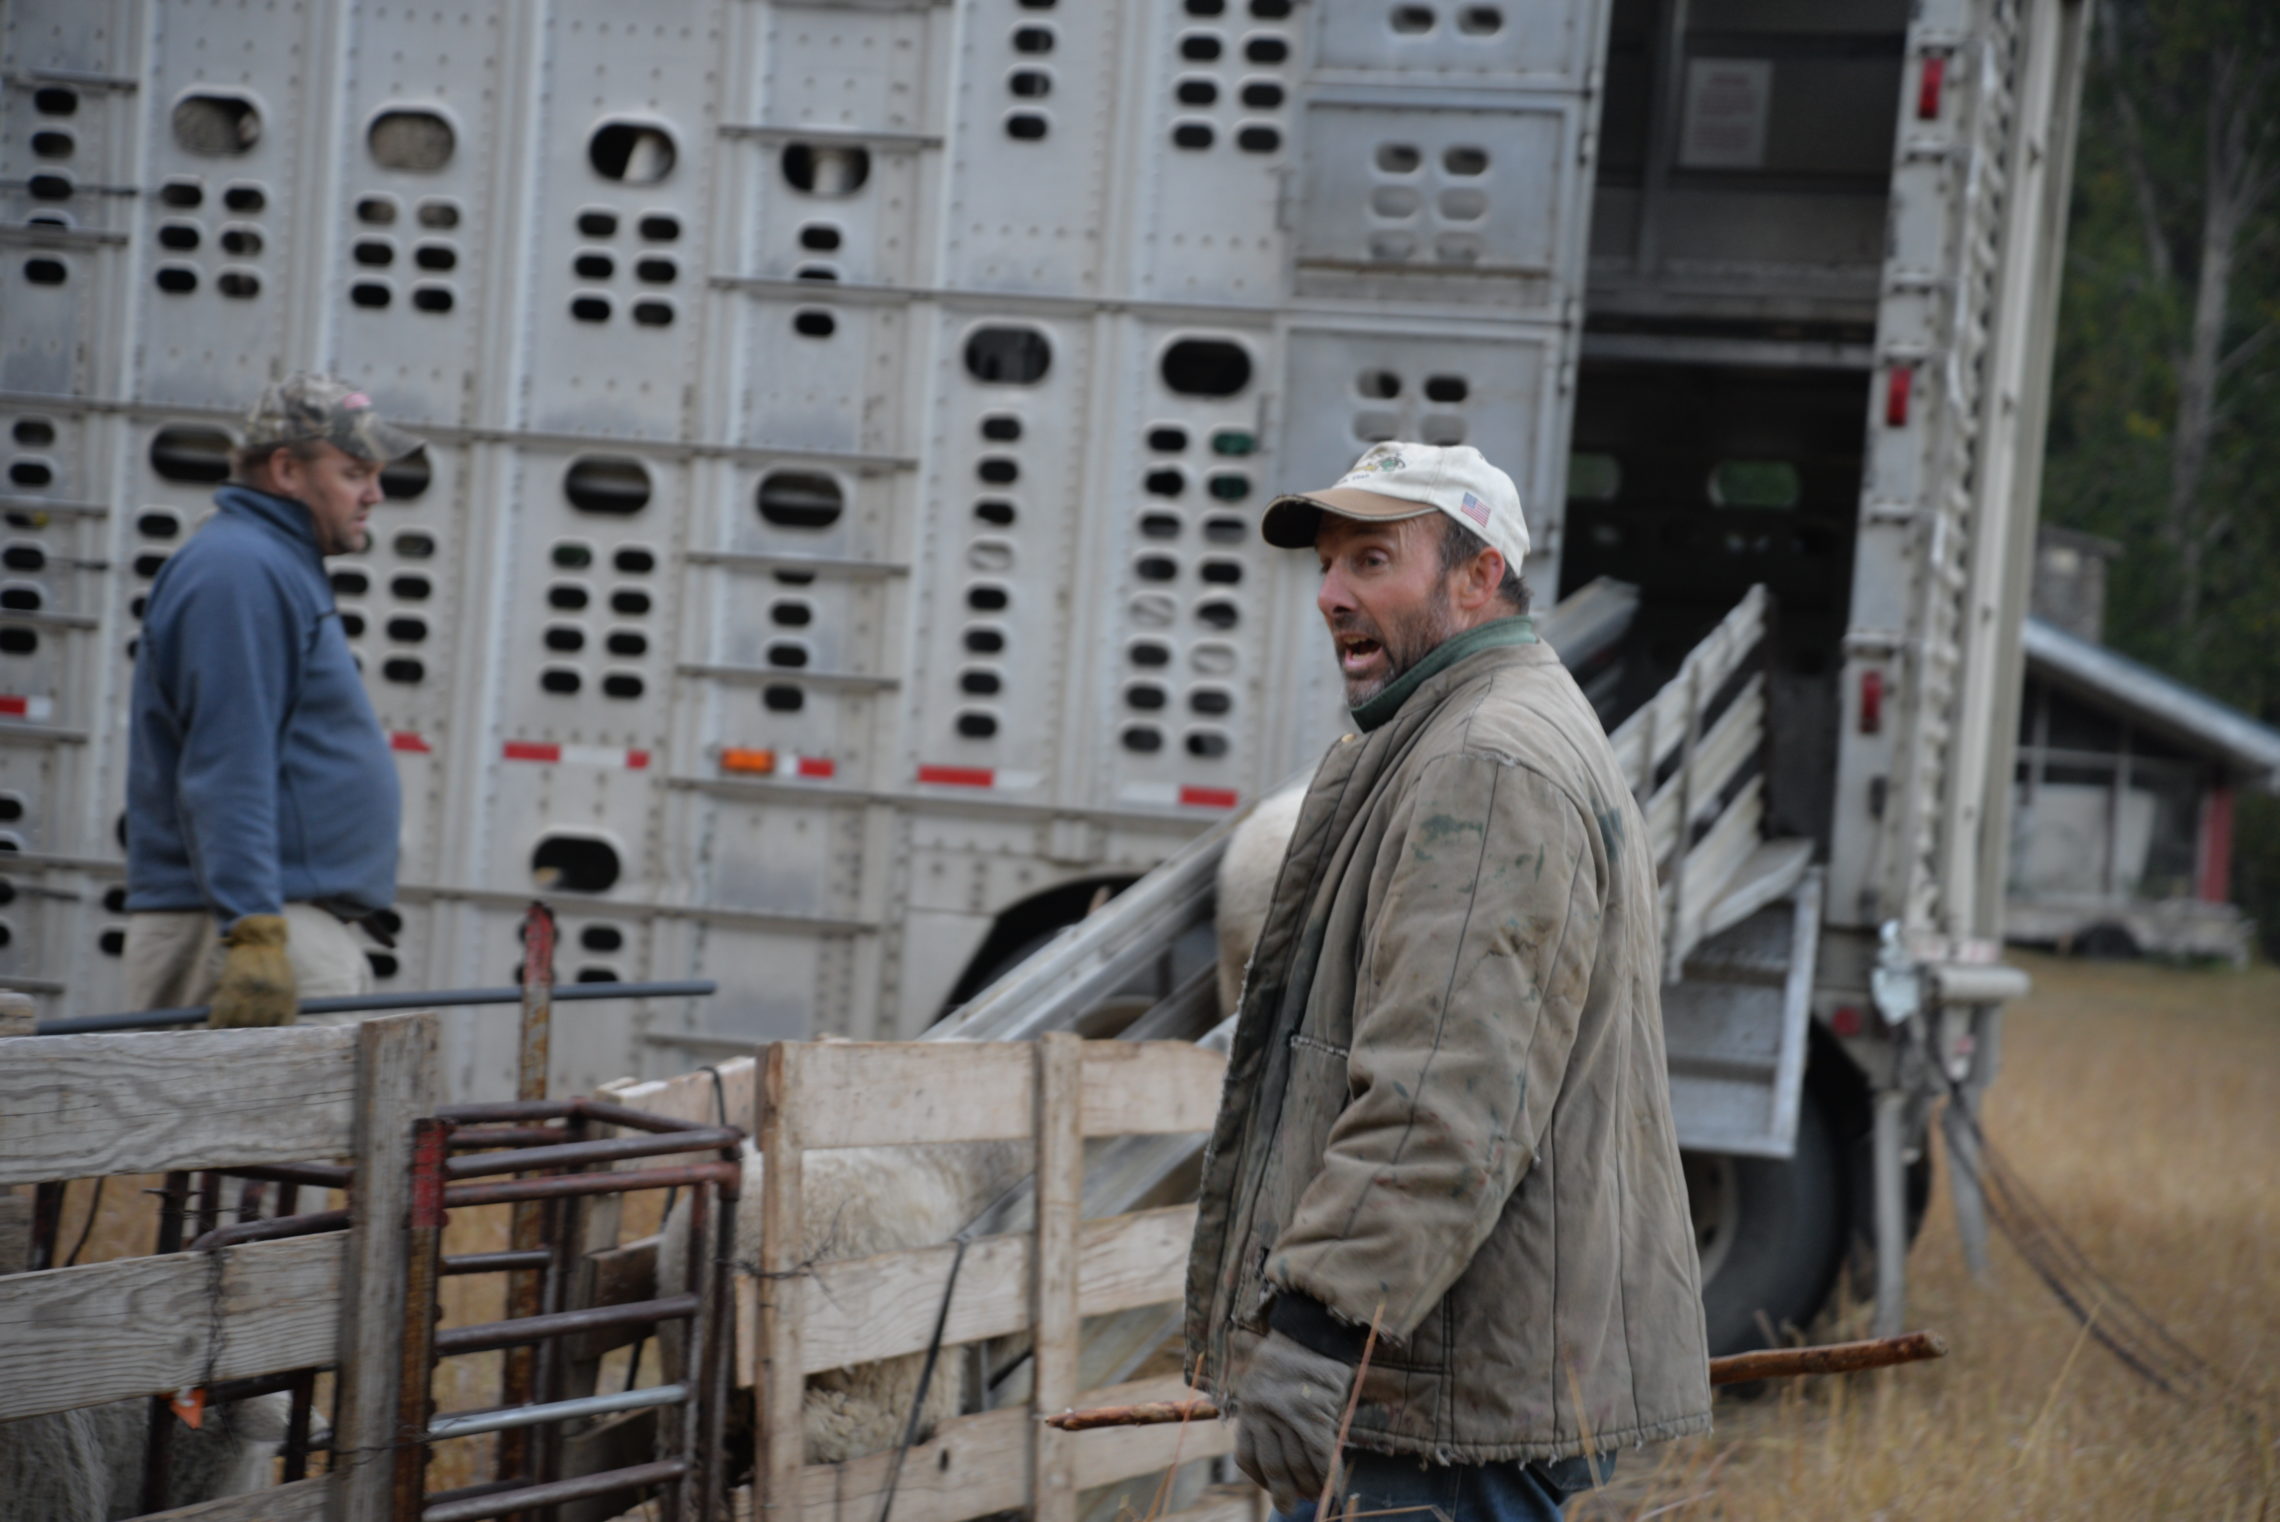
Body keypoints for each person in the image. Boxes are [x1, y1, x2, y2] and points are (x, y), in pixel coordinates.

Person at [1183, 442, 1711, 1519]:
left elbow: (1448, 1097)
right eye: (1329, 566)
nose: (1332, 596)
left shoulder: (1488, 761)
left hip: (1437, 1399)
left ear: (1479, 578)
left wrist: (1324, 1328)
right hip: (1447, 1374)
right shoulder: (1461, 732)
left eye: (1374, 560)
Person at [121, 373, 422, 1026]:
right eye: (353, 472)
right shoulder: (241, 571)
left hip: (267, 919)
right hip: (244, 926)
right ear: (286, 470)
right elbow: (230, 761)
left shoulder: (267, 563)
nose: (374, 494)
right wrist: (254, 930)